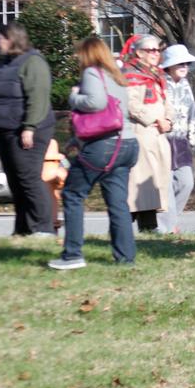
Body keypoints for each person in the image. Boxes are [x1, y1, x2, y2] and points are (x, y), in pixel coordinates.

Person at [49, 37, 139, 270]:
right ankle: (125, 258)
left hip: (104, 147)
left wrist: (73, 96)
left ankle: (72, 255)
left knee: (72, 194)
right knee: (118, 203)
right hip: (127, 144)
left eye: (79, 54)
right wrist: (76, 139)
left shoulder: (92, 73)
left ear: (88, 54)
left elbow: (96, 104)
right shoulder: (117, 76)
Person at [0, 21, 55, 237]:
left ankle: (43, 227)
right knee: (15, 181)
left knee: (28, 178)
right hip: (6, 131)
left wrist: (30, 127)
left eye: (2, 38)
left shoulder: (33, 62)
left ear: (13, 39)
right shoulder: (6, 64)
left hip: (29, 130)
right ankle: (23, 228)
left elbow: (38, 97)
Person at [157, 44, 195, 235]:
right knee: (166, 185)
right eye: (179, 63)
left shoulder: (185, 85)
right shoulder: (159, 84)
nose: (184, 66)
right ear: (169, 66)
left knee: (186, 182)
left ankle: (170, 221)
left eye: (186, 63)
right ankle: (166, 229)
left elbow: (193, 115)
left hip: (180, 142)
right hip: (161, 140)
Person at [122, 34, 173, 232]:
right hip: (140, 133)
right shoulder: (129, 74)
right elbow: (131, 104)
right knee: (138, 182)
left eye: (157, 50)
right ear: (139, 53)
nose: (155, 53)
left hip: (159, 135)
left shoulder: (158, 75)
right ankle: (125, 225)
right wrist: (154, 119)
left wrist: (168, 119)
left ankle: (149, 226)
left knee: (154, 181)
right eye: (150, 50)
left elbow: (167, 101)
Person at [41, 139, 69, 233]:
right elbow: (67, 166)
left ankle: (51, 224)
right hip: (55, 178)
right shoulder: (59, 160)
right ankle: (53, 224)